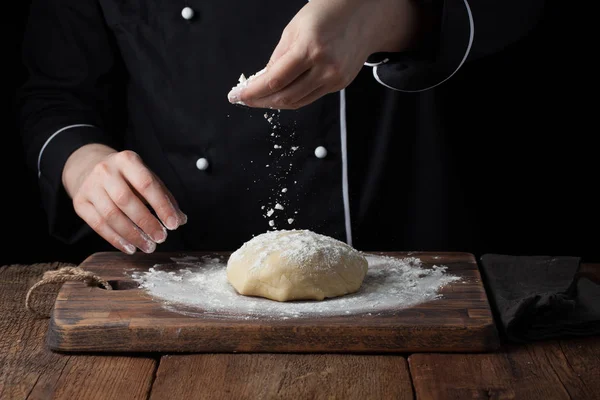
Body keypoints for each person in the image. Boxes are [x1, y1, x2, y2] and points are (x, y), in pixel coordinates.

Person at [16, 0, 549, 256]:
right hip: (178, 275)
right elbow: (56, 91)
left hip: (409, 252)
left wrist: (383, 14)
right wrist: (81, 163)